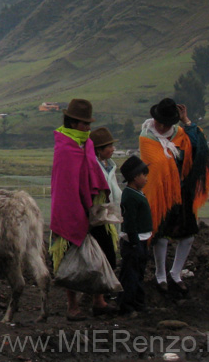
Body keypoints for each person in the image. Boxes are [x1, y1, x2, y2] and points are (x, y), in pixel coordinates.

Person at [139, 98, 209, 297]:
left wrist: (187, 121)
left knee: (187, 235)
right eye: (160, 121)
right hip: (160, 193)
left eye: (166, 123)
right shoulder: (147, 137)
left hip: (182, 192)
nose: (161, 125)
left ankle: (176, 273)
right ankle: (160, 275)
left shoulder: (181, 134)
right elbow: (157, 165)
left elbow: (198, 147)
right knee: (161, 234)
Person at [49, 98, 110, 320]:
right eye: (85, 124)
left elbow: (92, 172)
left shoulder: (88, 144)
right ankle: (72, 305)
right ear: (73, 123)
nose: (88, 128)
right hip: (68, 210)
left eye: (89, 124)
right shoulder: (65, 147)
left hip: (90, 207)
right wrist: (75, 209)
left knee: (100, 251)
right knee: (69, 256)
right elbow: (65, 185)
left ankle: (98, 299)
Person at [89, 126, 120, 314]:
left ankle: (102, 294)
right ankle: (99, 297)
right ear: (99, 149)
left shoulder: (110, 166)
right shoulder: (94, 167)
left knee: (108, 255)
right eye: (109, 146)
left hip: (108, 217)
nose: (112, 149)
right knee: (103, 256)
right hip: (97, 219)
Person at [117, 155, 152, 317]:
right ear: (134, 177)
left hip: (140, 240)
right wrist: (134, 242)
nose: (146, 178)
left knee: (137, 274)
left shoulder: (136, 193)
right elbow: (130, 222)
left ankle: (138, 303)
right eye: (144, 175)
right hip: (133, 242)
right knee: (130, 275)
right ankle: (127, 305)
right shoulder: (130, 196)